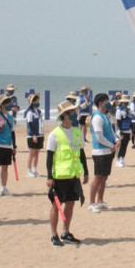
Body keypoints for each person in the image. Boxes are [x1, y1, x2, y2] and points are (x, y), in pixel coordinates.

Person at [46, 100, 89, 246]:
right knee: (56, 206)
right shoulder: (55, 134)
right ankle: (54, 234)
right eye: (72, 112)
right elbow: (49, 157)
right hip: (59, 177)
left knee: (70, 204)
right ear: (64, 115)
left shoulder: (77, 132)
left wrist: (86, 172)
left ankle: (66, 232)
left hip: (74, 175)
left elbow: (82, 153)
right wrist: (49, 177)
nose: (75, 114)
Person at [88, 93, 119, 213]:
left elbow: (111, 130)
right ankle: (91, 202)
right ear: (100, 103)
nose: (108, 103)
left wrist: (116, 139)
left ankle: (100, 200)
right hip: (100, 151)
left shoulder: (105, 116)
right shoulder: (97, 117)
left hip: (108, 151)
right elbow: (99, 136)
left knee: (104, 177)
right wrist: (111, 145)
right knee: (98, 177)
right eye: (106, 101)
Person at [0, 94, 17, 198]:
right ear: (1, 105)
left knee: (5, 168)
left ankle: (4, 187)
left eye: (9, 103)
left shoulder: (10, 117)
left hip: (7, 146)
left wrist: (14, 146)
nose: (9, 105)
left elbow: (13, 132)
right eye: (6, 103)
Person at [25, 92, 44, 177]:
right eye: (36, 101)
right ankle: (28, 170)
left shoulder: (39, 111)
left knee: (37, 153)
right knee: (31, 153)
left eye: (38, 100)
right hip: (32, 135)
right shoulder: (30, 112)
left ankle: (34, 169)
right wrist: (33, 135)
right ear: (32, 102)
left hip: (40, 134)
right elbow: (30, 124)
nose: (38, 102)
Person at [115, 95, 132, 166]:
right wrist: (121, 131)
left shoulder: (128, 110)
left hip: (128, 130)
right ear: (122, 103)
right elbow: (118, 121)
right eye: (125, 102)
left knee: (125, 146)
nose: (127, 103)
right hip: (122, 130)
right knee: (121, 146)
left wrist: (131, 129)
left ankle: (122, 158)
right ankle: (118, 160)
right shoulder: (119, 110)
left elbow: (130, 120)